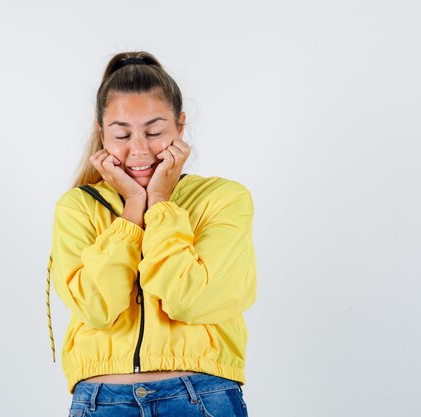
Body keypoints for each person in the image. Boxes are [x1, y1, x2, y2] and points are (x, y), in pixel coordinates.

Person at [46, 51, 257, 417]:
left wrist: (158, 202)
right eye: (122, 134)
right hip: (101, 401)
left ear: (180, 126)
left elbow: (189, 298)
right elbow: (97, 308)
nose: (139, 149)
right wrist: (131, 212)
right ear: (101, 134)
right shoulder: (78, 207)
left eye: (155, 131)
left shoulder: (223, 199)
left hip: (201, 397)